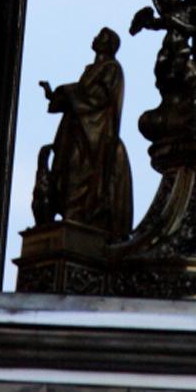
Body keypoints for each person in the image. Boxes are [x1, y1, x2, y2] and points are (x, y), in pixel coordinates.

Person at [39, 28, 133, 237]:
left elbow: (96, 98)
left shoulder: (111, 69)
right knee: (67, 171)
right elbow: (84, 95)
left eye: (101, 37)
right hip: (78, 130)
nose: (95, 38)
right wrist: (57, 95)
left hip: (93, 135)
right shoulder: (94, 69)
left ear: (108, 45)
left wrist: (66, 93)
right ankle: (70, 219)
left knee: (81, 175)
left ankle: (79, 220)